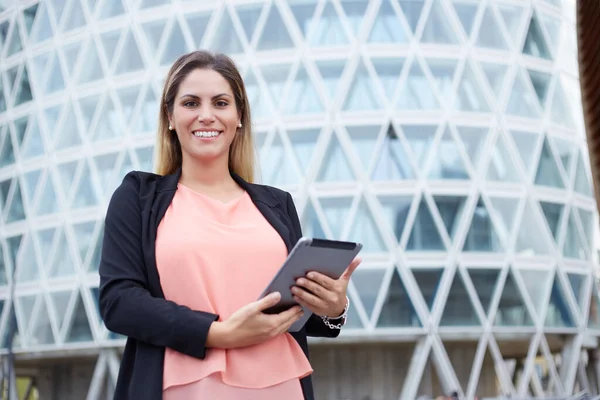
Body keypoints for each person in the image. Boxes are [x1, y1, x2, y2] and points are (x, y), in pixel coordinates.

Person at [98, 50, 361, 400]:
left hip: (279, 387)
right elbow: (119, 301)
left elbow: (291, 308)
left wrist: (332, 308)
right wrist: (219, 333)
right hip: (183, 388)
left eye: (221, 103)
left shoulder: (277, 204)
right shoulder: (137, 196)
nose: (206, 116)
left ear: (239, 118)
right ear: (170, 118)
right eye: (191, 103)